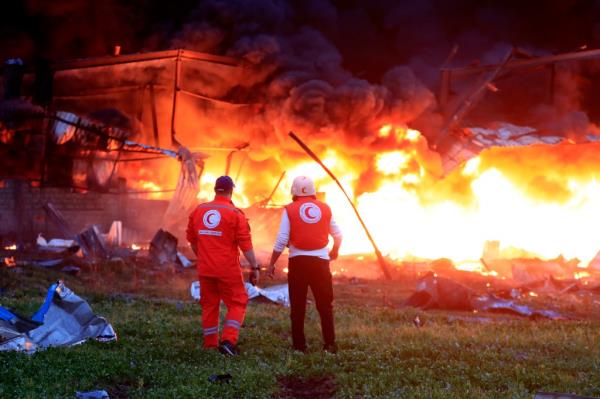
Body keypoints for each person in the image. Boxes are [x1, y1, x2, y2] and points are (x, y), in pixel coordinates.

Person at [267, 176, 342, 353]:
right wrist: (334, 251)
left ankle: (299, 347)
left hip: (298, 263)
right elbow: (338, 235)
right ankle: (330, 345)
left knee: (298, 306)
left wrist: (271, 264)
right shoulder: (325, 208)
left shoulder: (290, 210)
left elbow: (282, 239)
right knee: (325, 306)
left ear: (294, 192)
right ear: (313, 191)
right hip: (321, 264)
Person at [187, 175, 260, 356]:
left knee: (209, 304)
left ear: (215, 190)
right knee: (238, 301)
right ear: (231, 191)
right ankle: (228, 341)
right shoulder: (235, 214)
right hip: (227, 269)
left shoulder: (199, 211)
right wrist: (255, 267)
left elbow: (192, 240)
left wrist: (203, 257)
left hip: (205, 268)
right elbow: (246, 245)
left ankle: (210, 344)